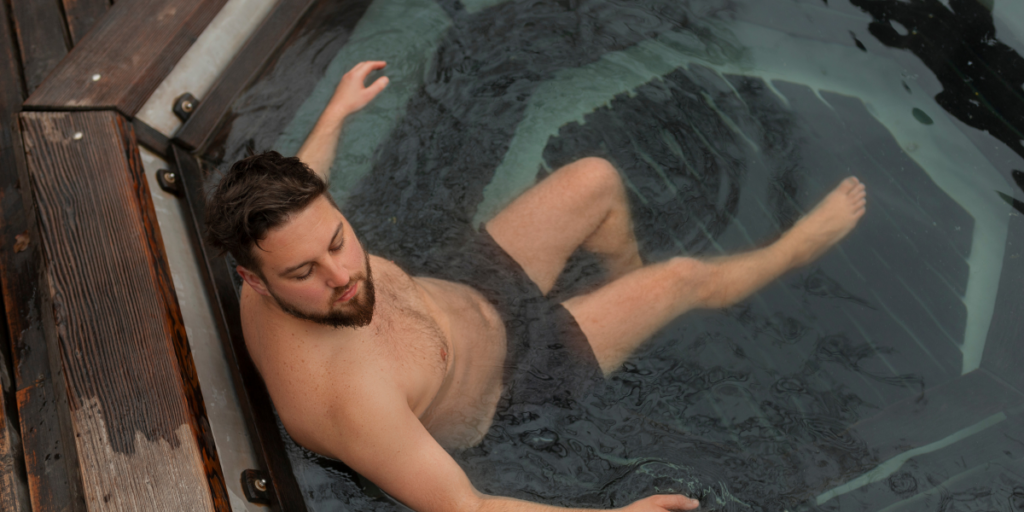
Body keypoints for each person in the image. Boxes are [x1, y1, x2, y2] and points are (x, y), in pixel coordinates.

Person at [205, 61, 867, 512]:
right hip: (519, 379)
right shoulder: (350, 402)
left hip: (469, 292)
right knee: (682, 279)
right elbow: (467, 506)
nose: (342, 276)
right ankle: (788, 252)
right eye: (304, 274)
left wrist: (336, 113)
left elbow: (302, 191)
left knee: (595, 180)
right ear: (253, 283)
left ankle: (622, 295)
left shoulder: (290, 241)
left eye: (338, 239)